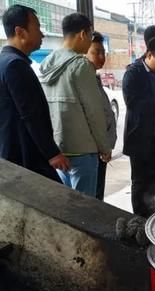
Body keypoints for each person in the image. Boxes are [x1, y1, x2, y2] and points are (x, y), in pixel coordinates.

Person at [39, 13, 111, 197]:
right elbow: (94, 112)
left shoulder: (48, 63)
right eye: (89, 35)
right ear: (82, 34)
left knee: (67, 205)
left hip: (60, 149)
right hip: (83, 150)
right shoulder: (80, 65)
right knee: (84, 207)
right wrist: (104, 146)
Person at [0, 5, 69, 182]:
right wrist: (52, 153)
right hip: (26, 157)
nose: (42, 34)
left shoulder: (4, 61)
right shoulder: (15, 65)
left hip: (11, 154)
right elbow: (30, 114)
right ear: (20, 32)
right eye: (37, 28)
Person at [122, 37, 155, 218]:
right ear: (149, 54)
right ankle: (139, 219)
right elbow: (133, 104)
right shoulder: (133, 73)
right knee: (140, 182)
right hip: (140, 139)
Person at [86, 31, 117, 200]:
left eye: (103, 52)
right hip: (93, 150)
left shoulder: (95, 79)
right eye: (95, 52)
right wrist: (103, 147)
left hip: (101, 149)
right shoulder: (84, 81)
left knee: (98, 196)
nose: (101, 56)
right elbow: (92, 117)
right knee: (92, 199)